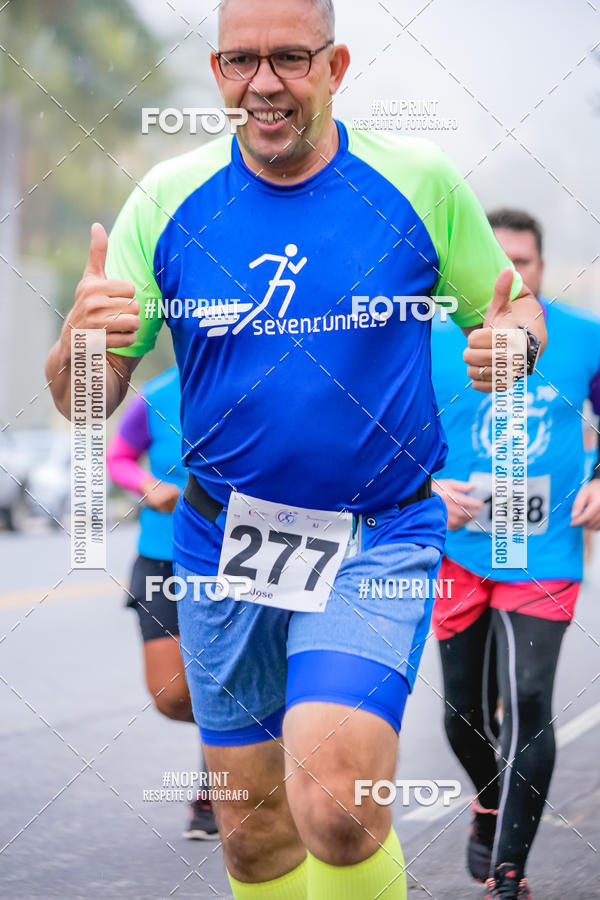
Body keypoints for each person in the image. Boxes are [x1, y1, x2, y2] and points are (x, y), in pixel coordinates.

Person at [45, 1, 546, 896]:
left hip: (375, 537)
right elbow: (92, 396)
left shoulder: (417, 181)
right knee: (257, 834)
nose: (264, 83)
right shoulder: (168, 199)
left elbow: (509, 304)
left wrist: (514, 338)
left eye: (288, 58)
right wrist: (81, 349)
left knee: (339, 800)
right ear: (217, 71)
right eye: (242, 61)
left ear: (336, 66)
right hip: (222, 541)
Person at [431, 208, 600, 899]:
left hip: (545, 548)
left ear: (539, 270)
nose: (508, 273)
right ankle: (491, 798)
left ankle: (510, 874)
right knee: (461, 715)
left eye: (522, 262)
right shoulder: (431, 340)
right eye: (494, 259)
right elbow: (385, 428)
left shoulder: (584, 338)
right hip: (458, 550)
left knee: (530, 697)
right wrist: (424, 484)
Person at [106, 366, 217, 839]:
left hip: (233, 559)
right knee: (173, 695)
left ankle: (220, 787)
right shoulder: (156, 395)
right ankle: (259, 735)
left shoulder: (257, 377)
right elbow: (118, 457)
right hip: (164, 559)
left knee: (224, 680)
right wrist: (146, 487)